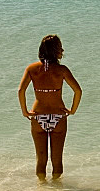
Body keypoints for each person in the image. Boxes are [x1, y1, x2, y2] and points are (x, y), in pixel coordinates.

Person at [18, 34, 83, 179]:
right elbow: (78, 91)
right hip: (58, 116)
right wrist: (72, 110)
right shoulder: (62, 70)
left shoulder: (32, 69)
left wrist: (24, 111)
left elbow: (21, 90)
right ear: (56, 51)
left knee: (41, 160)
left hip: (38, 115)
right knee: (57, 160)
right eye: (60, 48)